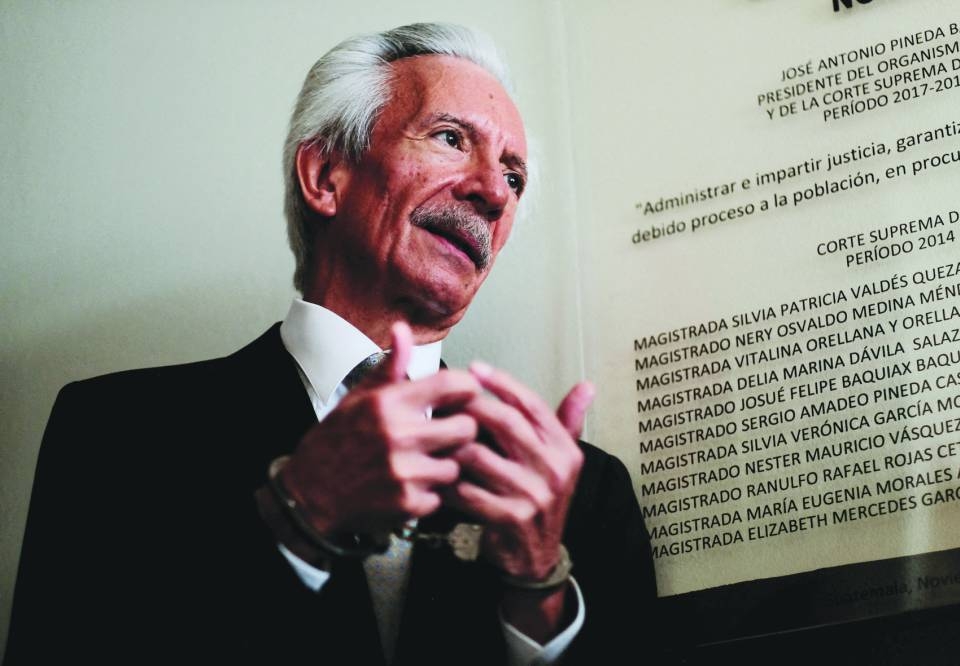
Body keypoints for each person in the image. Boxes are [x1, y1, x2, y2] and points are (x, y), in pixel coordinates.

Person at [5, 23, 655, 665]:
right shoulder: (114, 433)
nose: (492, 193)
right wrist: (297, 521)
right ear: (324, 176)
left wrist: (538, 591)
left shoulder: (581, 495)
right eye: (451, 138)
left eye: (514, 178)